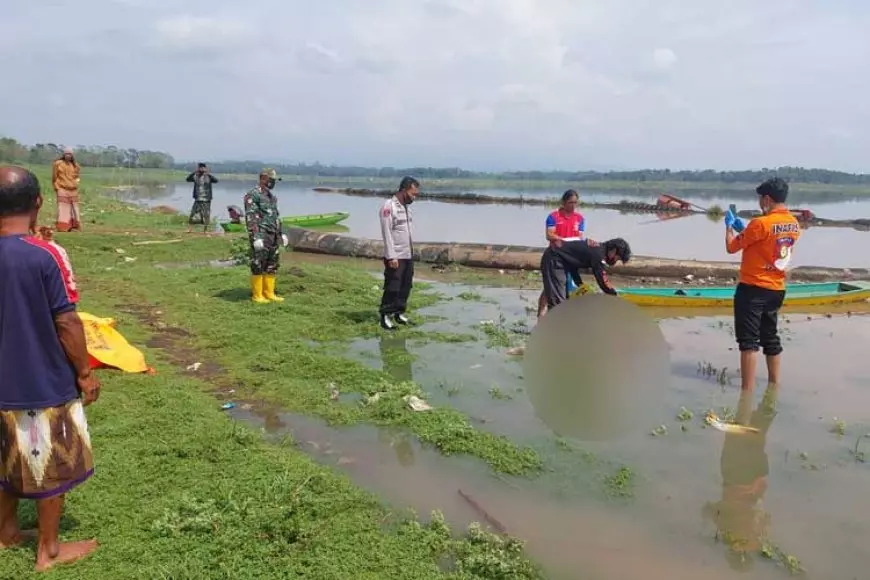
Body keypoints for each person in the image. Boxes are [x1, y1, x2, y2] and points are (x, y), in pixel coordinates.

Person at [0, 166, 100, 571]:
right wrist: (85, 372)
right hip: (40, 382)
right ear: (39, 201)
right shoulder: (46, 256)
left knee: (4, 454)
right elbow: (67, 322)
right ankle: (50, 550)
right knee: (50, 463)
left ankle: (6, 532)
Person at [725, 177, 800, 391]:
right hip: (776, 289)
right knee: (770, 338)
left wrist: (729, 228)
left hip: (753, 289)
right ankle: (774, 386)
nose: (759, 203)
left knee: (748, 343)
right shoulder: (794, 224)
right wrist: (745, 230)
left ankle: (746, 393)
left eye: (760, 199)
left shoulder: (760, 223)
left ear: (767, 199)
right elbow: (768, 245)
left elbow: (731, 247)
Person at [702, 385, 778, 571]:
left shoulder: (734, 531)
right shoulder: (737, 531)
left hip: (742, 478)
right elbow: (708, 509)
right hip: (743, 478)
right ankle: (768, 394)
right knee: (753, 433)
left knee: (752, 433)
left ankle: (765, 396)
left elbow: (708, 510)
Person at [540, 238, 631, 310]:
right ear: (614, 251)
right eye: (617, 258)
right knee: (558, 302)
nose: (615, 261)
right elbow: (602, 279)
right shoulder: (598, 254)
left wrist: (580, 284)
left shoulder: (598, 249)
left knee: (565, 300)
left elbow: (572, 263)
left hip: (561, 260)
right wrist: (614, 294)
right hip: (554, 258)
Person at [378, 176, 420, 330]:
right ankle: (385, 315)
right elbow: (387, 233)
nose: (414, 198)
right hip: (395, 255)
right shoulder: (389, 207)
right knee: (392, 286)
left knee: (406, 285)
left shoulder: (405, 207)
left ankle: (399, 313)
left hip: (407, 253)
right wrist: (391, 256)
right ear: (404, 190)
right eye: (412, 194)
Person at [538, 189, 587, 318]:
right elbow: (549, 234)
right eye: (570, 202)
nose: (573, 205)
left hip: (570, 258)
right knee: (549, 288)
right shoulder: (553, 216)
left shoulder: (579, 219)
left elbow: (580, 237)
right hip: (556, 257)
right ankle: (541, 315)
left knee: (564, 286)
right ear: (564, 202)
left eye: (576, 202)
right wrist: (560, 239)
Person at [244, 169, 288, 303]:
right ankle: (257, 295)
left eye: (274, 181)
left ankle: (269, 293)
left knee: (272, 264)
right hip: (261, 234)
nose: (273, 183)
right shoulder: (253, 195)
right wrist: (256, 236)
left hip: (272, 234)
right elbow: (251, 217)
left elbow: (276, 217)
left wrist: (281, 234)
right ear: (263, 178)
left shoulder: (271, 197)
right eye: (271, 180)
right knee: (258, 263)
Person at [51, 147, 82, 233]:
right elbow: (54, 176)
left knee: (74, 209)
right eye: (66, 154)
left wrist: (76, 183)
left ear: (72, 156)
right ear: (63, 155)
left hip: (73, 189)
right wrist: (56, 187)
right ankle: (62, 227)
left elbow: (77, 176)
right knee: (63, 208)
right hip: (62, 188)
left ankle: (74, 227)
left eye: (70, 154)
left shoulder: (75, 165)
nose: (68, 156)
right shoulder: (58, 164)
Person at [186, 163, 218, 234]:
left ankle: (205, 230)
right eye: (200, 168)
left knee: (206, 214)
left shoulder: (208, 177)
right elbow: (187, 179)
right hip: (197, 198)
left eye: (203, 168)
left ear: (205, 168)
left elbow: (216, 180)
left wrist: (208, 173)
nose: (201, 169)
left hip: (206, 199)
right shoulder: (195, 176)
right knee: (193, 213)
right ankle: (190, 229)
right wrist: (194, 172)